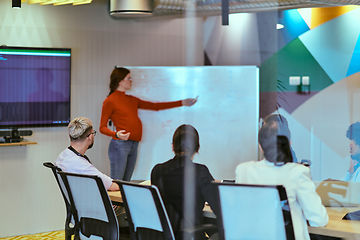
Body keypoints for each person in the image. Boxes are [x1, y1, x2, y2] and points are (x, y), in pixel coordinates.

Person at [235, 115, 328, 240]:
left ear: (260, 146)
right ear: (289, 143)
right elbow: (318, 219)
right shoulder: (298, 172)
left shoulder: (243, 170)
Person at [100, 67, 197, 181]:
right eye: (128, 78)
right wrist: (116, 134)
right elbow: (102, 127)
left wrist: (182, 102)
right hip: (120, 144)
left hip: (134, 144)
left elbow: (155, 106)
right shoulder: (110, 101)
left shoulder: (131, 99)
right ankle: (113, 200)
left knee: (125, 182)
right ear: (120, 80)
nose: (131, 81)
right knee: (117, 182)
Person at [151, 124, 219, 240]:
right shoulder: (200, 172)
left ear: (173, 147)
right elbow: (218, 207)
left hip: (162, 236)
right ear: (197, 148)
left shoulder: (157, 170)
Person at [55, 117, 119, 191]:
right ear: (90, 137)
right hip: (91, 201)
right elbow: (113, 186)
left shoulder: (62, 156)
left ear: (70, 136)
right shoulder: (81, 165)